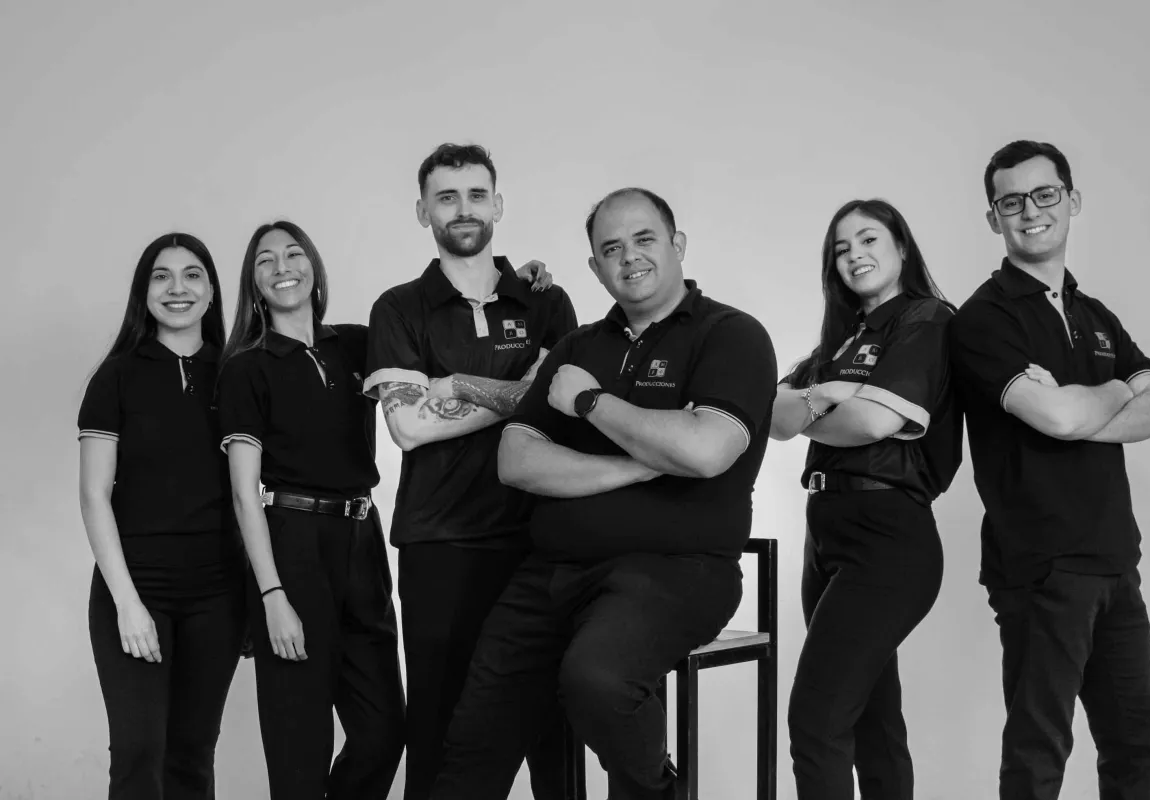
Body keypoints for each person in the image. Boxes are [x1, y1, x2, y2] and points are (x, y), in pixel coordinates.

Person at [429, 187, 779, 800]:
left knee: (597, 680)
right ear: (595, 267)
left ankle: (658, 791)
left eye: (644, 239)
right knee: (472, 741)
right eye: (611, 248)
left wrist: (590, 402)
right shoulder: (578, 347)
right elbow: (516, 460)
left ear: (678, 244)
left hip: (678, 570)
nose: (630, 257)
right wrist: (644, 462)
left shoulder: (731, 335)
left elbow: (705, 452)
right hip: (553, 572)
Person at [949, 140, 1150, 799]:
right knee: (1038, 755)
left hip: (1115, 561)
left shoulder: (1095, 315)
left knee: (1136, 743)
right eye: (1011, 201)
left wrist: (1081, 403)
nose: (1031, 211)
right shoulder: (983, 319)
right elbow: (1057, 418)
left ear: (1072, 201)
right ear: (993, 218)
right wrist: (1114, 391)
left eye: (1045, 194)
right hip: (1041, 566)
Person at [364, 142, 574, 800]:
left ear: (498, 205)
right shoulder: (399, 308)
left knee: (553, 728)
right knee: (439, 727)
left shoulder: (546, 301)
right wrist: (522, 389)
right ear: (423, 211)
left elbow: (564, 407)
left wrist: (453, 384)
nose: (463, 208)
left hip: (540, 542)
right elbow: (408, 425)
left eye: (477, 194)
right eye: (447, 197)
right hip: (440, 544)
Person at [770, 199, 961, 800]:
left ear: (902, 246)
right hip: (825, 533)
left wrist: (822, 401)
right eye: (841, 248)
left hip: (888, 535)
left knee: (817, 719)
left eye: (869, 239)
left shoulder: (927, 319)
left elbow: (875, 422)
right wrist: (830, 391)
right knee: (873, 722)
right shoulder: (840, 341)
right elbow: (773, 415)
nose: (855, 255)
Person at [216, 220, 405, 800]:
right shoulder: (247, 367)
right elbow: (244, 492)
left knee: (384, 731)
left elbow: (433, 330)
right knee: (300, 747)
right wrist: (272, 595)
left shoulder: (357, 343)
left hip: (362, 540)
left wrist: (510, 284)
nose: (282, 268)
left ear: (314, 267)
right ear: (254, 284)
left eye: (293, 254)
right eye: (265, 261)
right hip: (292, 546)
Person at [78, 232, 246, 799]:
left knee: (191, 755)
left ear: (212, 290)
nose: (178, 288)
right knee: (138, 751)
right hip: (134, 585)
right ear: (143, 292)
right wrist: (128, 604)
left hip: (218, 593)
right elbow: (94, 496)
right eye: (161, 275)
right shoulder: (116, 376)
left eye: (192, 274)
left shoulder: (238, 373)